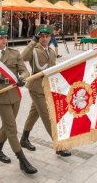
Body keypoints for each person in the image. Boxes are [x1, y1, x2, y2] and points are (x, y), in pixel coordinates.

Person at [0, 25, 37, 174]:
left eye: (5, 37)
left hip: (15, 94)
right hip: (0, 94)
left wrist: (22, 78)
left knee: (7, 124)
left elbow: (24, 70)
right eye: (0, 37)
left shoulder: (14, 53)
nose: (4, 39)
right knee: (11, 127)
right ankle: (22, 160)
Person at [20, 25, 71, 157]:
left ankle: (24, 138)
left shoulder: (52, 52)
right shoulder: (34, 50)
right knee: (48, 116)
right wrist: (33, 41)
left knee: (34, 113)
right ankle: (58, 145)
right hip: (36, 87)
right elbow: (22, 58)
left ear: (50, 37)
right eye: (41, 36)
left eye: (47, 36)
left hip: (47, 87)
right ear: (38, 36)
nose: (44, 38)